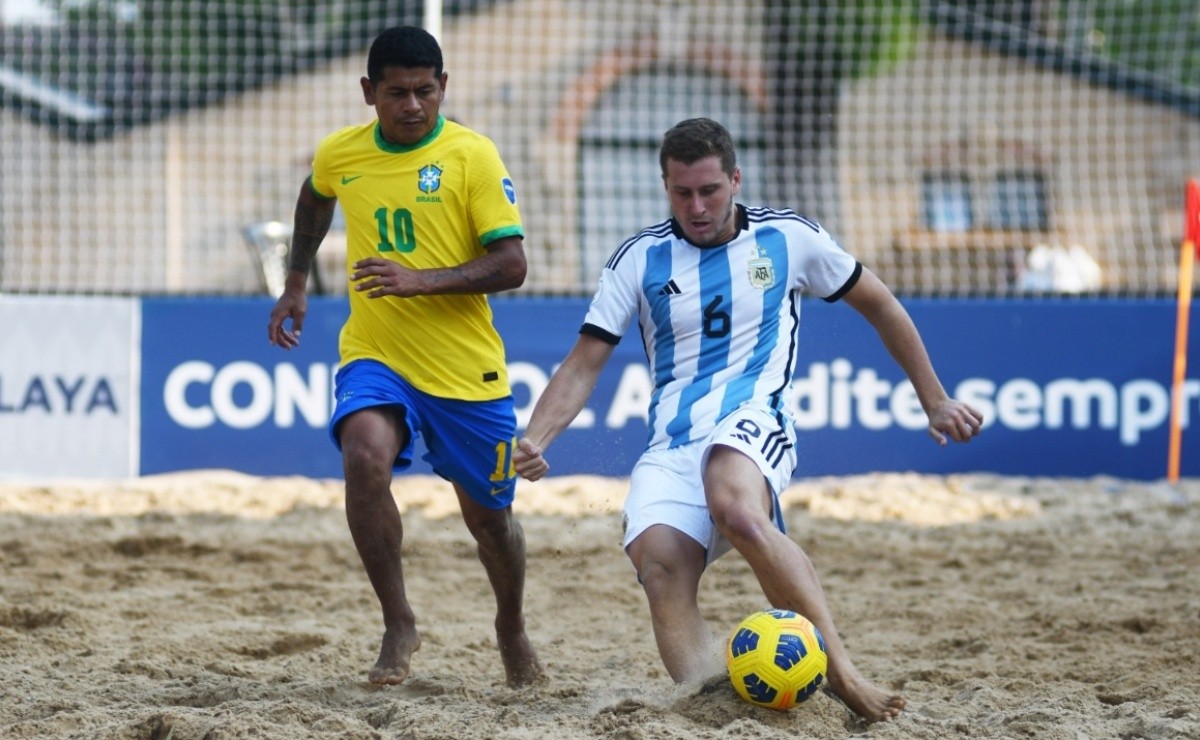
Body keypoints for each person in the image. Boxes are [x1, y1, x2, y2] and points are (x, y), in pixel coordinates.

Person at [512, 117, 983, 722]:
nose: (697, 207)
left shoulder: (789, 239)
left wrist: (935, 398)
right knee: (658, 566)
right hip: (673, 441)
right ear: (666, 189)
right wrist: (537, 437)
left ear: (735, 179)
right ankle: (712, 695)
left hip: (754, 416)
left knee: (735, 507)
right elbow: (583, 363)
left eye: (709, 190)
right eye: (682, 193)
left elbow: (882, 305)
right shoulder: (640, 259)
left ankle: (841, 673)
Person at [267, 25, 542, 688]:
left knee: (490, 520)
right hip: (376, 351)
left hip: (462, 367)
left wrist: (423, 279)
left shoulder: (472, 156)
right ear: (370, 93)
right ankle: (398, 621)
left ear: (443, 87)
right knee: (363, 458)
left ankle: (510, 624)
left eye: (425, 91)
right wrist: (297, 283)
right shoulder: (343, 152)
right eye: (397, 93)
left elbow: (512, 265)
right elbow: (314, 198)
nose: (413, 105)